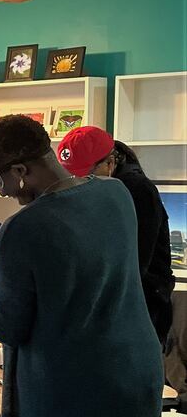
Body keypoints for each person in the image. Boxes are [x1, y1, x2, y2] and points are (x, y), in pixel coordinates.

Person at [0, 115, 163, 416]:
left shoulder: (23, 227)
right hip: (136, 371)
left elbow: (4, 326)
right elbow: (69, 252)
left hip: (76, 389)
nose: (2, 192)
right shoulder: (115, 192)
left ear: (20, 170)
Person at [57, 126, 174, 346]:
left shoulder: (137, 191)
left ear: (109, 163)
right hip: (104, 301)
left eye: (85, 175)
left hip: (142, 303)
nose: (77, 183)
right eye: (71, 175)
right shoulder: (94, 189)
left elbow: (135, 263)